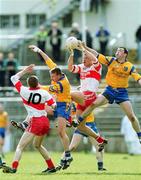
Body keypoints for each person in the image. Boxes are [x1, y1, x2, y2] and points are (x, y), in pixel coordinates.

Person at [74, 44, 141, 143]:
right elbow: (96, 54)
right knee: (94, 104)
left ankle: (139, 135)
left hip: (122, 93)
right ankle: (79, 120)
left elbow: (138, 77)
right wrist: (85, 47)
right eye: (117, 50)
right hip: (109, 90)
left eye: (120, 51)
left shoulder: (129, 66)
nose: (117, 52)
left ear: (125, 54)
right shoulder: (111, 60)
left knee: (131, 116)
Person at [2, 64, 57, 174]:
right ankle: (51, 167)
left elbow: (13, 78)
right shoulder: (44, 92)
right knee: (37, 145)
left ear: (28, 84)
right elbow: (54, 106)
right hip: (45, 122)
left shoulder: (24, 91)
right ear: (38, 84)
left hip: (35, 121)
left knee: (20, 147)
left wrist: (25, 70)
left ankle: (14, 168)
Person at [29, 45, 73, 169]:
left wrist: (35, 86)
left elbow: (47, 88)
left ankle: (68, 154)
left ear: (58, 75)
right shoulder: (55, 70)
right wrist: (39, 51)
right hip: (56, 103)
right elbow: (48, 60)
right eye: (51, 76)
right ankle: (27, 123)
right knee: (39, 107)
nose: (52, 78)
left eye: (53, 77)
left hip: (64, 105)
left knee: (60, 131)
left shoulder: (62, 83)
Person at [67, 43, 108, 152]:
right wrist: (71, 54)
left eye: (86, 58)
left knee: (67, 92)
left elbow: (94, 58)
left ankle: (64, 115)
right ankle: (100, 139)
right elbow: (70, 68)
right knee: (80, 126)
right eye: (82, 58)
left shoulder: (96, 67)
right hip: (82, 100)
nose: (83, 59)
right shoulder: (82, 67)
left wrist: (83, 49)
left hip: (89, 96)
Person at [68, 103, 106, 171]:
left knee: (99, 147)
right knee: (72, 146)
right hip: (80, 126)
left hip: (90, 124)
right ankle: (62, 162)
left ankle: (100, 166)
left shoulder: (88, 100)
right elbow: (72, 115)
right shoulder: (75, 103)